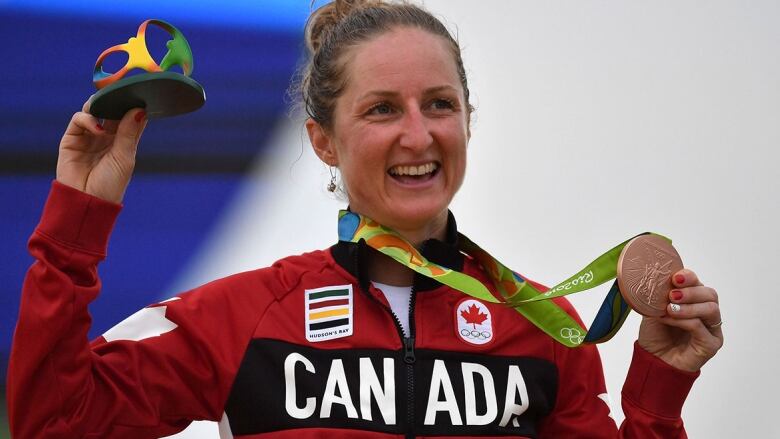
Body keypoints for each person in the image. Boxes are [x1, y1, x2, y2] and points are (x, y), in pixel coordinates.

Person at [8, 1, 723, 437]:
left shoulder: (544, 329)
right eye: (382, 109)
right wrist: (80, 216)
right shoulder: (240, 317)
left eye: (439, 104)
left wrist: (660, 383)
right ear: (324, 139)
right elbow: (52, 420)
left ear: (468, 121)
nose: (418, 136)